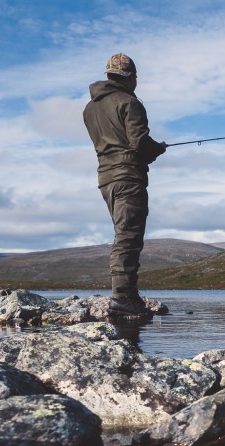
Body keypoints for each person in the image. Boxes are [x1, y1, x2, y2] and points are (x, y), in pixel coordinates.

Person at [82, 53, 167, 320]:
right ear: (130, 77)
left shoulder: (89, 109)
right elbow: (139, 143)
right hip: (128, 177)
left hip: (106, 179)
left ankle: (128, 295)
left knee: (123, 235)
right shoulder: (129, 102)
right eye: (136, 76)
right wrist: (157, 149)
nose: (136, 81)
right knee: (128, 238)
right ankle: (122, 298)